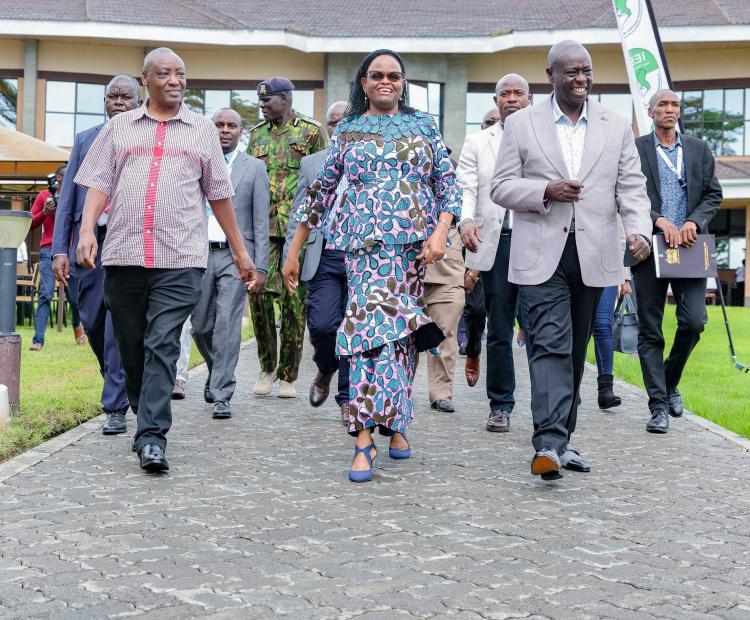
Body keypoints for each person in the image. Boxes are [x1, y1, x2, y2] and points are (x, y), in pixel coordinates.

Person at [74, 47, 256, 473]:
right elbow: (98, 183)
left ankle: (153, 436)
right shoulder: (118, 128)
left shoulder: (202, 132)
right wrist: (86, 231)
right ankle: (144, 410)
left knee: (162, 342)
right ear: (145, 81)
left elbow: (220, 195)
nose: (175, 80)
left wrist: (240, 249)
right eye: (165, 74)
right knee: (132, 344)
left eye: (180, 74)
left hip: (180, 257)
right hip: (125, 254)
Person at [285, 49, 461, 483]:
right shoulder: (348, 130)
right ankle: (363, 437)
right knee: (364, 337)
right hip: (360, 250)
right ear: (363, 83)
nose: (386, 82)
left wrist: (440, 233)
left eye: (395, 76)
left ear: (404, 83)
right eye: (377, 75)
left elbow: (448, 185)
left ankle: (396, 422)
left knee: (401, 338)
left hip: (411, 251)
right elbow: (321, 192)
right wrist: (295, 249)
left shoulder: (423, 126)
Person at [491, 40, 652, 479]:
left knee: (576, 348)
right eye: (571, 72)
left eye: (587, 71)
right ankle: (547, 441)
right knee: (549, 343)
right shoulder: (522, 124)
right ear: (551, 76)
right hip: (541, 251)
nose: (581, 79)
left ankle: (563, 439)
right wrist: (545, 191)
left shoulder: (614, 124)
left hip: (594, 253)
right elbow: (501, 186)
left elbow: (631, 186)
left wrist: (637, 231)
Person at [52, 74, 141, 434]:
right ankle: (120, 381)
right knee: (91, 321)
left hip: (127, 241)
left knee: (117, 323)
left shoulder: (145, 137)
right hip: (87, 244)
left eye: (126, 97)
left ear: (139, 101)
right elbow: (68, 199)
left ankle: (115, 406)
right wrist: (60, 248)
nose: (118, 102)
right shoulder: (85, 139)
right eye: (112, 96)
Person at [634, 89, 722, 433]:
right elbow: (625, 192)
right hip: (649, 247)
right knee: (650, 330)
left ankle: (670, 381)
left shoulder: (698, 148)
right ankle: (658, 406)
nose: (669, 110)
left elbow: (714, 194)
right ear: (651, 111)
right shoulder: (637, 149)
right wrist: (659, 220)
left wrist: (692, 222)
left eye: (674, 105)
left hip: (688, 247)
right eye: (663, 105)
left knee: (694, 321)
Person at [457, 73, 531, 433]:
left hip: (538, 240)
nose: (512, 98)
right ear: (496, 99)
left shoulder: (544, 137)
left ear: (529, 99)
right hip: (496, 241)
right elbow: (466, 187)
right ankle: (500, 404)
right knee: (499, 326)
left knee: (543, 328)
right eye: (505, 93)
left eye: (519, 93)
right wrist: (466, 220)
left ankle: (555, 404)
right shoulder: (477, 142)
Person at [247, 77, 328, 399]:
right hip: (263, 230)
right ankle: (266, 366)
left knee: (295, 305)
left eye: (268, 100)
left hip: (298, 232)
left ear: (286, 99)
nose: (263, 106)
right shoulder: (256, 137)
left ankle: (287, 375)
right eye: (260, 101)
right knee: (259, 299)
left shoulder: (311, 132)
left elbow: (324, 181)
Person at [191, 107, 270, 419]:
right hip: (197, 253)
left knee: (226, 323)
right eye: (219, 125)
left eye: (231, 125)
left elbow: (261, 222)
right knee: (200, 325)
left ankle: (223, 391)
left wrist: (259, 266)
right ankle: (215, 369)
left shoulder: (254, 168)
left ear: (242, 131)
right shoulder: (197, 162)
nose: (225, 130)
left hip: (237, 256)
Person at [283, 100, 349, 423]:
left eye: (344, 121)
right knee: (322, 326)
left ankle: (347, 397)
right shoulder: (311, 164)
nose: (337, 127)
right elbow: (300, 212)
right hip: (322, 255)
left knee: (353, 329)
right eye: (332, 122)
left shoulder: (370, 160)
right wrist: (290, 256)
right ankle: (325, 367)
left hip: (360, 257)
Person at [30, 165, 86, 351]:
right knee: (45, 293)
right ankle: (38, 340)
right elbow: (30, 223)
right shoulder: (44, 196)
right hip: (48, 249)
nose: (62, 179)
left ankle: (77, 326)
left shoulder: (75, 196)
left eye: (66, 176)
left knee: (75, 297)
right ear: (56, 178)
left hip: (70, 249)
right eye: (60, 176)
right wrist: (45, 212)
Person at [423, 227, 465, 412]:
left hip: (450, 264)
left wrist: (474, 271)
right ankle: (397, 389)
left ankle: (441, 393)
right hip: (403, 261)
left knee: (444, 333)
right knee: (400, 334)